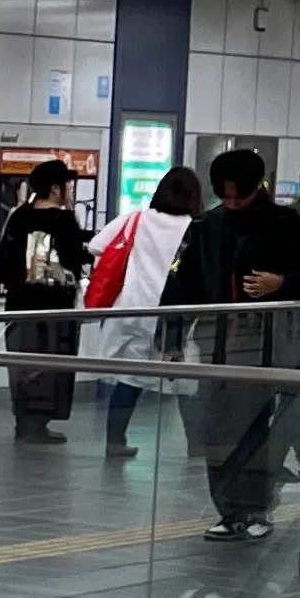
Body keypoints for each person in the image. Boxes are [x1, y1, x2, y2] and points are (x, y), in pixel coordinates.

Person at [159, 145, 300, 538]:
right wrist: (173, 337)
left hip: (267, 343)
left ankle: (254, 507)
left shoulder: (284, 224)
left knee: (255, 428)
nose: (231, 202)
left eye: (240, 195)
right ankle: (230, 509)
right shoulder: (206, 226)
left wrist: (281, 284)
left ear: (257, 186)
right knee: (213, 431)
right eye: (224, 195)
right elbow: (180, 286)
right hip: (214, 343)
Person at [82, 164, 201, 459]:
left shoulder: (136, 219)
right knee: (188, 380)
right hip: (170, 314)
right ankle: (197, 444)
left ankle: (115, 440)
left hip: (130, 308)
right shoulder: (194, 228)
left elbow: (97, 247)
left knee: (130, 378)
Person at [0, 158, 91, 442]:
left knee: (23, 359)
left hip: (20, 303)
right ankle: (40, 422)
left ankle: (25, 421)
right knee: (52, 361)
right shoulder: (64, 219)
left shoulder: (19, 216)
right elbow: (73, 259)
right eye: (67, 184)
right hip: (55, 306)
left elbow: (3, 254)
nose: (70, 189)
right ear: (56, 189)